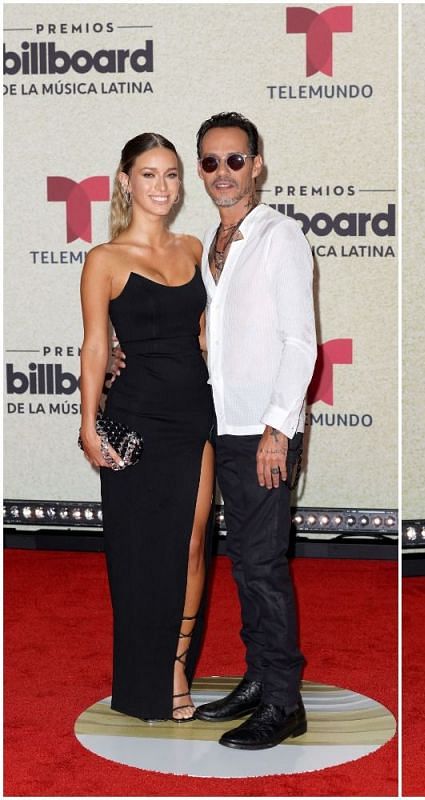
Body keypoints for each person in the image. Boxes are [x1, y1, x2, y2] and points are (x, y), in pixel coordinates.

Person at [188, 112, 317, 750]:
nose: (222, 174)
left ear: (257, 164)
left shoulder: (280, 236)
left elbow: (301, 343)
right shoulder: (210, 244)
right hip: (219, 423)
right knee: (242, 561)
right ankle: (259, 677)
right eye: (210, 163)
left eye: (234, 161)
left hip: (261, 428)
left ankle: (284, 700)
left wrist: (277, 430)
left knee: (262, 564)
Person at [79, 133, 215, 722]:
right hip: (132, 418)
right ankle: (143, 673)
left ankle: (176, 661)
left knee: (190, 544)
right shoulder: (104, 260)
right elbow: (93, 346)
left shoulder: (195, 247)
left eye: (172, 175)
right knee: (138, 553)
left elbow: (213, 334)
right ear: (126, 181)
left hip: (195, 414)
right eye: (150, 175)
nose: (162, 187)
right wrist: (88, 423)